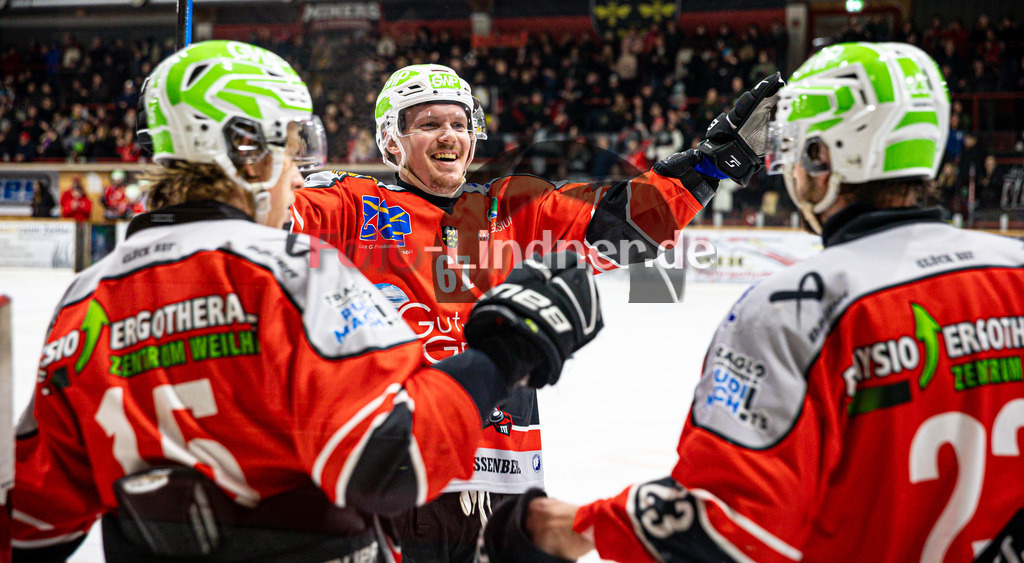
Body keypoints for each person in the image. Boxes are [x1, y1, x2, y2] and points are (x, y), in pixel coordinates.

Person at [9, 41, 602, 563]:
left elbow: (32, 522)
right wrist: (505, 355)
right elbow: (391, 461)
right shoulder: (298, 276)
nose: (298, 176)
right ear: (247, 154)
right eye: (292, 151)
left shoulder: (85, 299)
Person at [481, 41, 1024, 562]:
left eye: (793, 149)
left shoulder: (796, 308)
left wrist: (572, 527)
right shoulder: (1014, 274)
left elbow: (727, 524)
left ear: (821, 156)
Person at [289, 62, 782, 561]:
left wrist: (711, 163)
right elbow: (264, 223)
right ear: (392, 141)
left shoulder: (514, 207)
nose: (449, 136)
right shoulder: (349, 203)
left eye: (459, 123)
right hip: (395, 470)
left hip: (501, 476)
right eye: (429, 123)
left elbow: (623, 223)